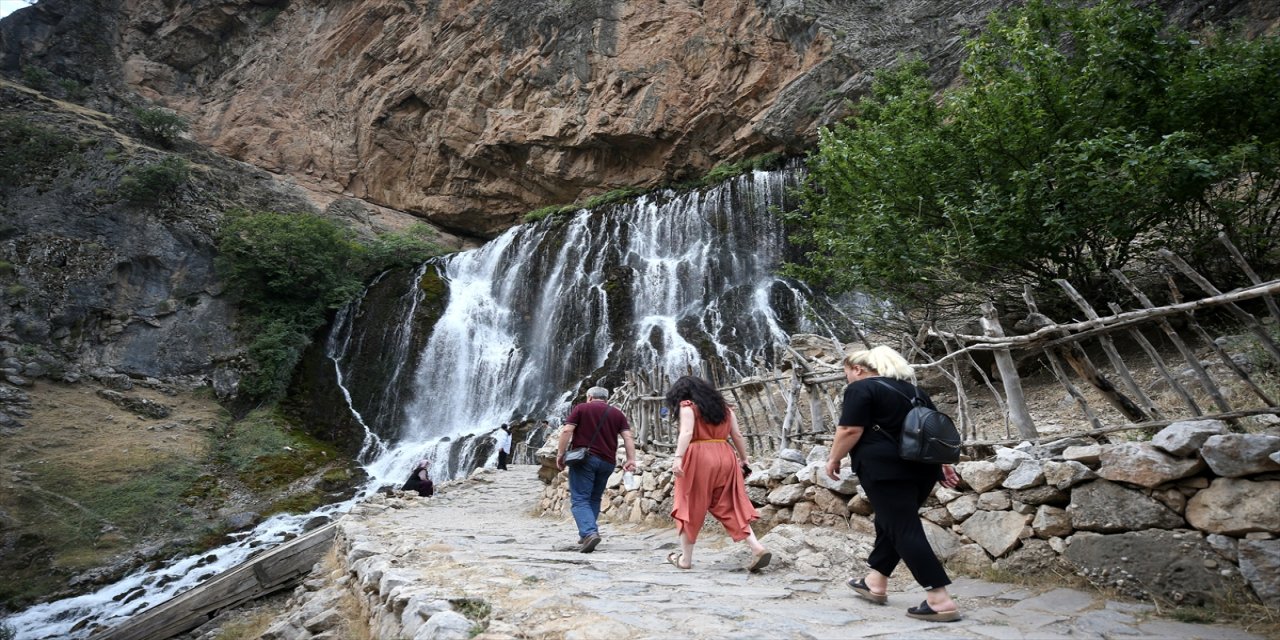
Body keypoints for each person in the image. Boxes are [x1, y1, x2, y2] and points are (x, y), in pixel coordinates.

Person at [825, 346, 962, 622]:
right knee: (893, 523)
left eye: (846, 373)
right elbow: (935, 430)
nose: (847, 379)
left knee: (902, 527)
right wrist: (943, 465)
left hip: (886, 468)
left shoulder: (861, 389)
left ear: (858, 369)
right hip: (923, 468)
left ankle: (939, 599)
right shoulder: (914, 391)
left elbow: (850, 429)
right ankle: (875, 582)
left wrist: (834, 458)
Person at [665, 375, 770, 572]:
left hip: (698, 456)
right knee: (729, 504)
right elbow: (737, 434)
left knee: (689, 505)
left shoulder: (687, 407)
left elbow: (687, 433)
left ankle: (685, 560)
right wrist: (744, 458)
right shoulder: (726, 408)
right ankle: (756, 547)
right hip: (725, 454)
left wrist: (678, 458)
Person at [555, 386, 637, 553]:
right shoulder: (616, 413)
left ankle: (589, 532)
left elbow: (567, 430)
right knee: (594, 498)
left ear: (590, 397)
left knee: (579, 499)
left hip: (585, 460)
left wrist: (560, 454)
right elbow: (628, 436)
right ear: (606, 399)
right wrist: (631, 459)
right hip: (607, 462)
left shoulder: (581, 408)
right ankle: (588, 531)